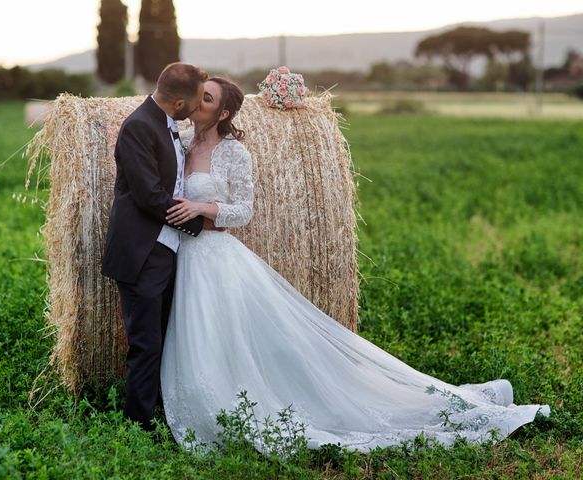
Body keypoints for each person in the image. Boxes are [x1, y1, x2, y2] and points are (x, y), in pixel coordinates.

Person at [159, 76, 551, 454]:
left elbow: (243, 211)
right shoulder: (183, 142)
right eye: (198, 95)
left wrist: (202, 206)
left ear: (224, 113)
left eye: (206, 98)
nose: (197, 101)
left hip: (218, 260)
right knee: (203, 336)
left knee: (226, 335)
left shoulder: (234, 153)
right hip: (189, 257)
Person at [101, 62, 225, 431]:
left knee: (164, 338)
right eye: (195, 100)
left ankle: (160, 409)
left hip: (166, 250)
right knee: (146, 344)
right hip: (141, 253)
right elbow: (150, 196)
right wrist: (200, 224)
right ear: (177, 101)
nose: (197, 106)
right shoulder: (139, 126)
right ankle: (139, 425)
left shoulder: (168, 125)